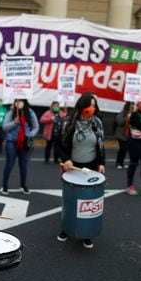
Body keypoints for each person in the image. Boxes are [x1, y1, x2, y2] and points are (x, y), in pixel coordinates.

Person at [55, 92, 105, 248]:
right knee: (70, 200)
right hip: (72, 166)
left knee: (87, 201)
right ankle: (66, 228)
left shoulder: (97, 122)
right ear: (82, 105)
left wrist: (101, 163)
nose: (92, 108)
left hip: (90, 167)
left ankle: (86, 232)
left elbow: (101, 145)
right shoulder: (68, 123)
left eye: (94, 105)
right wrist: (66, 159)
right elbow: (58, 145)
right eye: (90, 104)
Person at [1, 99, 39, 195]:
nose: (19, 103)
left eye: (21, 101)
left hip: (24, 142)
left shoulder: (30, 112)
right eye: (17, 101)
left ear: (25, 102)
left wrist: (29, 135)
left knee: (23, 165)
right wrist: (14, 122)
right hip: (11, 141)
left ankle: (23, 185)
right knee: (9, 164)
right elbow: (4, 127)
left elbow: (36, 127)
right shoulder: (11, 113)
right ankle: (5, 186)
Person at [125, 97, 141, 195]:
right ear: (137, 104)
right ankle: (129, 185)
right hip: (134, 142)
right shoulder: (134, 115)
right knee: (133, 164)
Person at [115, 101, 133, 169]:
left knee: (125, 149)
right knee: (122, 149)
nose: (132, 108)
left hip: (127, 134)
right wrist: (127, 118)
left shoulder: (132, 114)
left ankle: (121, 163)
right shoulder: (123, 113)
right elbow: (119, 122)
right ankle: (118, 163)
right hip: (121, 134)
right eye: (131, 107)